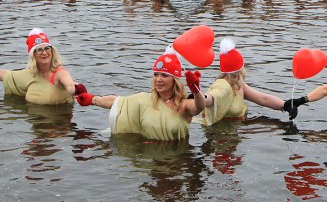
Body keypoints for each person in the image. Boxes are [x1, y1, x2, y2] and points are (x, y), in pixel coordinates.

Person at [75, 48, 204, 141]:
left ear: (174, 80)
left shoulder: (183, 105)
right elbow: (117, 102)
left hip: (177, 161)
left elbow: (199, 107)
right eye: (155, 74)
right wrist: (91, 99)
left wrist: (196, 91)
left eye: (164, 75)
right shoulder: (145, 100)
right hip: (150, 159)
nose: (158, 79)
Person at [186, 38, 284, 125]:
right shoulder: (222, 85)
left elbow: (264, 99)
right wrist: (198, 94)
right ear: (240, 69)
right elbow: (212, 97)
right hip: (221, 136)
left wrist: (286, 105)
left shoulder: (238, 84)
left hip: (235, 130)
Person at [0, 28, 84, 105]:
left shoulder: (60, 73)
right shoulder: (29, 74)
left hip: (58, 120)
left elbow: (70, 85)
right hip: (33, 118)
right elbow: (5, 75)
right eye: (39, 50)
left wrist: (77, 88)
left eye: (47, 48)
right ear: (32, 55)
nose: (44, 53)